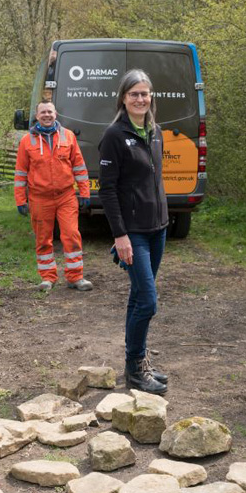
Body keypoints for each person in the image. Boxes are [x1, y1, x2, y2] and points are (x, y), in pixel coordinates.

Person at [99, 69, 170, 395]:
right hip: (134, 233)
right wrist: (120, 236)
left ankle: (136, 365)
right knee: (149, 303)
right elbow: (108, 191)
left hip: (158, 229)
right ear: (123, 99)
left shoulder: (156, 132)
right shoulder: (115, 135)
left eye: (144, 93)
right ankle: (135, 366)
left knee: (139, 297)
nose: (140, 99)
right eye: (134, 94)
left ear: (150, 96)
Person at [14, 101, 93, 292]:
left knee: (71, 235)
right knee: (43, 238)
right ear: (37, 115)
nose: (47, 115)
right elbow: (20, 173)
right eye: (43, 112)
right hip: (39, 198)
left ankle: (75, 277)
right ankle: (47, 278)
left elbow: (79, 167)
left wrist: (84, 191)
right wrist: (20, 199)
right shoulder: (27, 141)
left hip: (66, 196)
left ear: (56, 114)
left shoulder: (68, 136)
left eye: (50, 111)